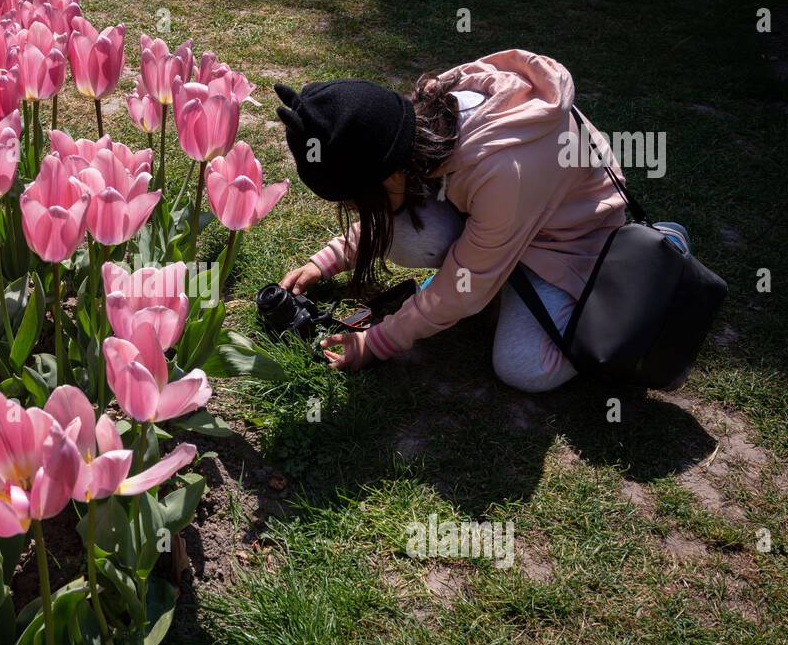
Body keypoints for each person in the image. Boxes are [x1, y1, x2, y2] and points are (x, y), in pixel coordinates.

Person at [275, 49, 689, 391]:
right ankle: (499, 272)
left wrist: (377, 342)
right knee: (413, 238)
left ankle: (656, 253)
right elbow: (388, 197)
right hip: (507, 218)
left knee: (523, 367)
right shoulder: (418, 122)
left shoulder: (503, 169)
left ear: (390, 174)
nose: (357, 210)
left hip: (571, 240)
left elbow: (462, 288)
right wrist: (327, 259)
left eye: (356, 201)